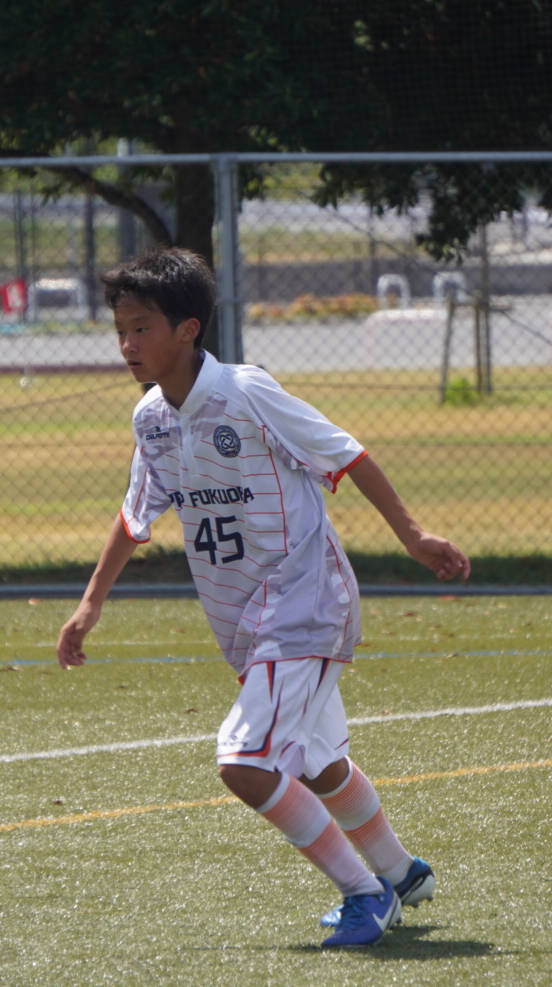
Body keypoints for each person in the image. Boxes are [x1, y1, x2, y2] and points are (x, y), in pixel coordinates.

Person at [56, 247, 470, 948]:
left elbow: (346, 453)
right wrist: (91, 603)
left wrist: (413, 535)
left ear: (188, 329)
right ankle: (401, 873)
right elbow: (135, 513)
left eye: (142, 328)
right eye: (121, 330)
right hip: (245, 618)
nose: (127, 344)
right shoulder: (151, 418)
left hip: (304, 600)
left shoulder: (246, 392)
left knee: (244, 762)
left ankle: (365, 893)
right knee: (316, 761)